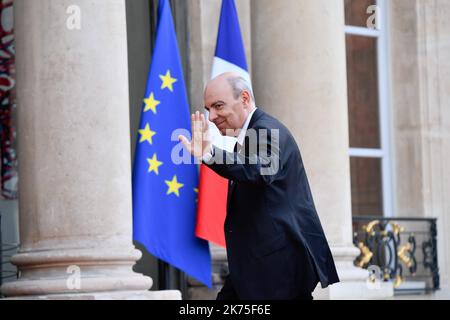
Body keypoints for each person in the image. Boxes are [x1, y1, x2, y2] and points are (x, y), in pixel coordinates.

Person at [179, 72, 339, 300]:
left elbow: (257, 170)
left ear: (244, 98)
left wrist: (209, 152)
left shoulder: (266, 129)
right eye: (208, 109)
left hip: (276, 266)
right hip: (257, 264)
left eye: (218, 106)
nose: (212, 116)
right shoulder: (250, 135)